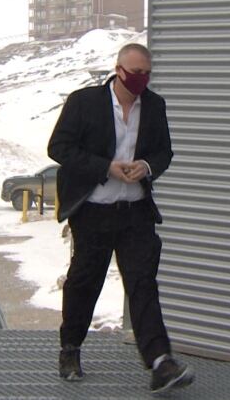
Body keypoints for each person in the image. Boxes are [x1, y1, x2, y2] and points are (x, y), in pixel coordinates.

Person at [47, 43, 194, 394]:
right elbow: (59, 148)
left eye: (146, 73)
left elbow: (164, 151)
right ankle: (70, 349)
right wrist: (106, 168)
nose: (140, 79)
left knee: (143, 285)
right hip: (94, 212)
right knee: (84, 283)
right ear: (118, 69)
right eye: (134, 72)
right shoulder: (84, 102)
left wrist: (145, 167)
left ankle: (160, 362)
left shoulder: (154, 106)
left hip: (135, 212)